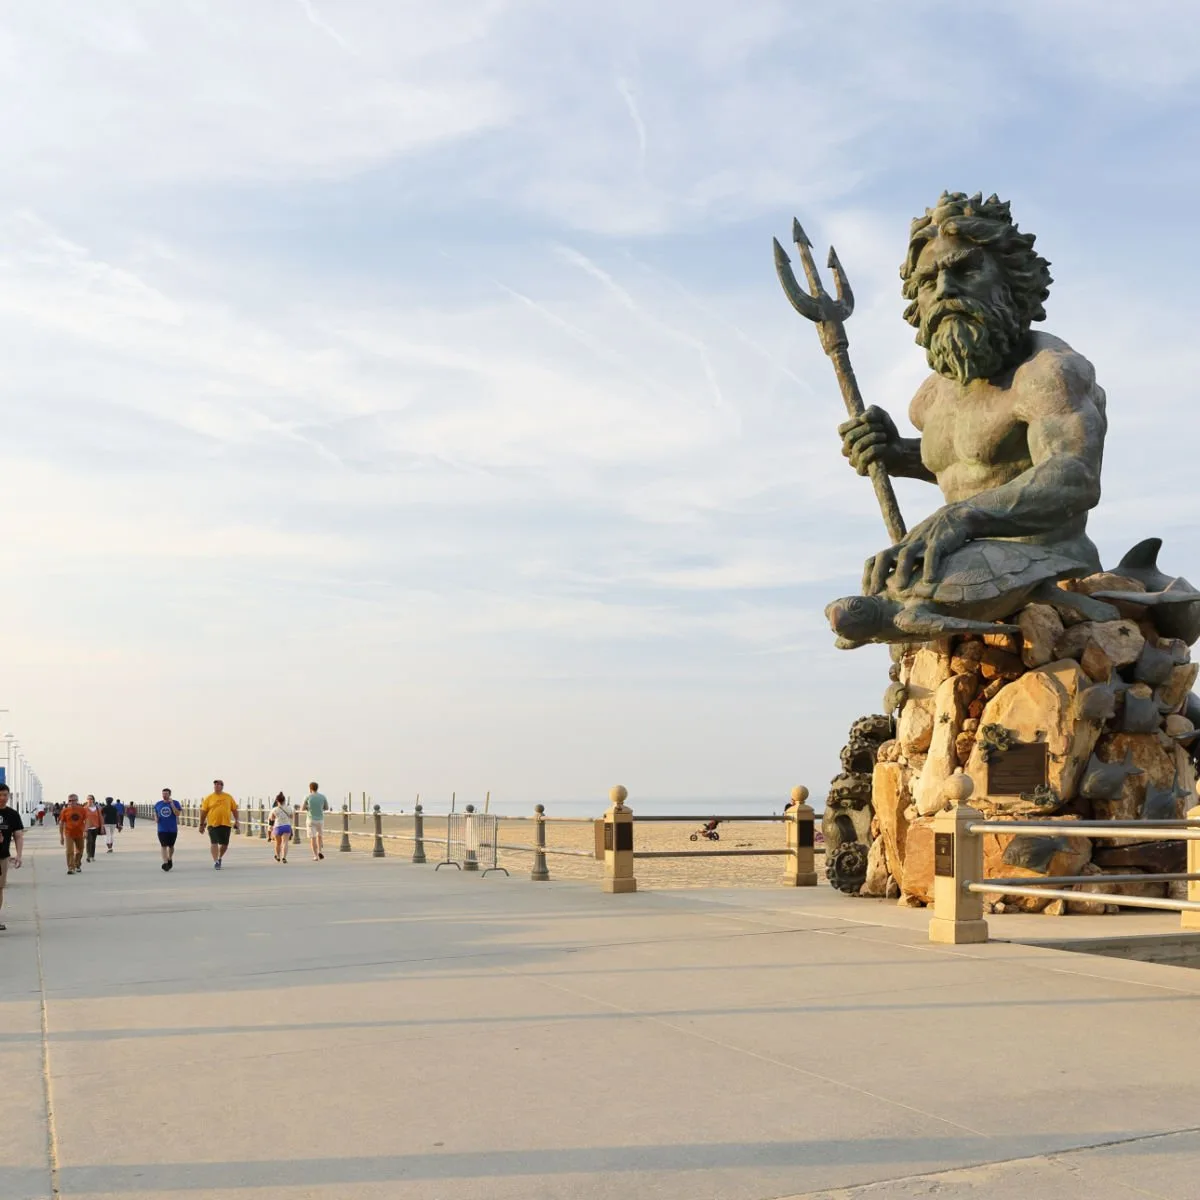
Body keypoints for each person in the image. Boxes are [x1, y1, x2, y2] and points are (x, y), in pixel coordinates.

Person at [837, 191, 1106, 620]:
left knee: (910, 592)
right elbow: (976, 466)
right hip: (967, 565)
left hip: (1051, 565)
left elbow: (1073, 476)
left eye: (964, 269)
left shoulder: (1048, 372)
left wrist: (960, 517)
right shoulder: (930, 397)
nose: (945, 289)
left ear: (1012, 281)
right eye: (929, 281)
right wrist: (896, 454)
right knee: (898, 580)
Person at [199, 779, 239, 870]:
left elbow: (234, 809)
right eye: (215, 785)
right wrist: (201, 824)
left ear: (222, 786)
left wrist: (237, 820)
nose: (216, 786)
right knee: (214, 842)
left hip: (225, 824)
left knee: (224, 844)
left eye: (218, 785)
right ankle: (216, 861)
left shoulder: (228, 797)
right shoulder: (209, 798)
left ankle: (220, 857)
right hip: (212, 824)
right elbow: (203, 812)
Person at [0, 783, 25, 931]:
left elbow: (18, 836)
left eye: (5, 795)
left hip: (3, 856)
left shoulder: (12, 814)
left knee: (0, 888)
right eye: (0, 795)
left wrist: (19, 855)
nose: (2, 798)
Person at [154, 788, 181, 872]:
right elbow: (155, 813)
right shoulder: (158, 804)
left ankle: (169, 858)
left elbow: (177, 813)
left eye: (166, 794)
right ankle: (165, 863)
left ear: (169, 794)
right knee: (163, 845)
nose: (164, 795)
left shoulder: (176, 803)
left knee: (171, 846)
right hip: (162, 829)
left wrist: (172, 804)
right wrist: (156, 818)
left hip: (172, 829)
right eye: (163, 793)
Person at [60, 795, 87, 874]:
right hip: (69, 833)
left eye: (73, 800)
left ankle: (77, 864)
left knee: (80, 850)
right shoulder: (65, 811)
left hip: (79, 833)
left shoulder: (82, 810)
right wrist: (61, 836)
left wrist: (85, 831)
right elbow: (61, 823)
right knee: (69, 851)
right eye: (70, 801)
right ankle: (71, 867)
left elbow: (86, 821)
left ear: (77, 801)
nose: (72, 802)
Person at [304, 782, 329, 861]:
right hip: (320, 819)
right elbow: (326, 807)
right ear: (317, 788)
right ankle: (320, 851)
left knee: (313, 838)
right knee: (320, 836)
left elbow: (302, 808)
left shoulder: (308, 796)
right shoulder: (322, 796)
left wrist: (308, 808)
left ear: (310, 788)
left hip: (311, 819)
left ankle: (315, 856)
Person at [268, 793, 292, 863]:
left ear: (277, 801)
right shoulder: (288, 808)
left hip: (277, 827)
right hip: (287, 826)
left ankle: (278, 856)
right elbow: (291, 816)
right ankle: (284, 857)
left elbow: (271, 819)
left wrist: (271, 828)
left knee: (278, 843)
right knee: (285, 842)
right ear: (284, 800)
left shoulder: (274, 809)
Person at [84, 795, 103, 863]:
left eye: (91, 799)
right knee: (89, 841)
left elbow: (100, 818)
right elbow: (82, 819)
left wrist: (102, 827)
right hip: (87, 828)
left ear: (93, 800)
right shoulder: (84, 808)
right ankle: (88, 856)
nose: (89, 800)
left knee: (93, 842)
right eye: (88, 799)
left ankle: (92, 856)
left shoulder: (97, 808)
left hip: (96, 827)